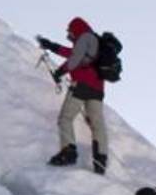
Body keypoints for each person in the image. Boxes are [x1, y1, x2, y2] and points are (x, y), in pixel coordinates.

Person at [36, 17, 108, 173]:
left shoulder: (84, 38)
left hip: (81, 85)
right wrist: (52, 46)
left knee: (65, 118)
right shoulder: (94, 41)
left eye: (69, 31)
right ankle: (100, 160)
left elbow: (74, 58)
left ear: (75, 29)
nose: (68, 34)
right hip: (98, 90)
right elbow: (73, 54)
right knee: (97, 124)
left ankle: (68, 152)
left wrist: (60, 72)